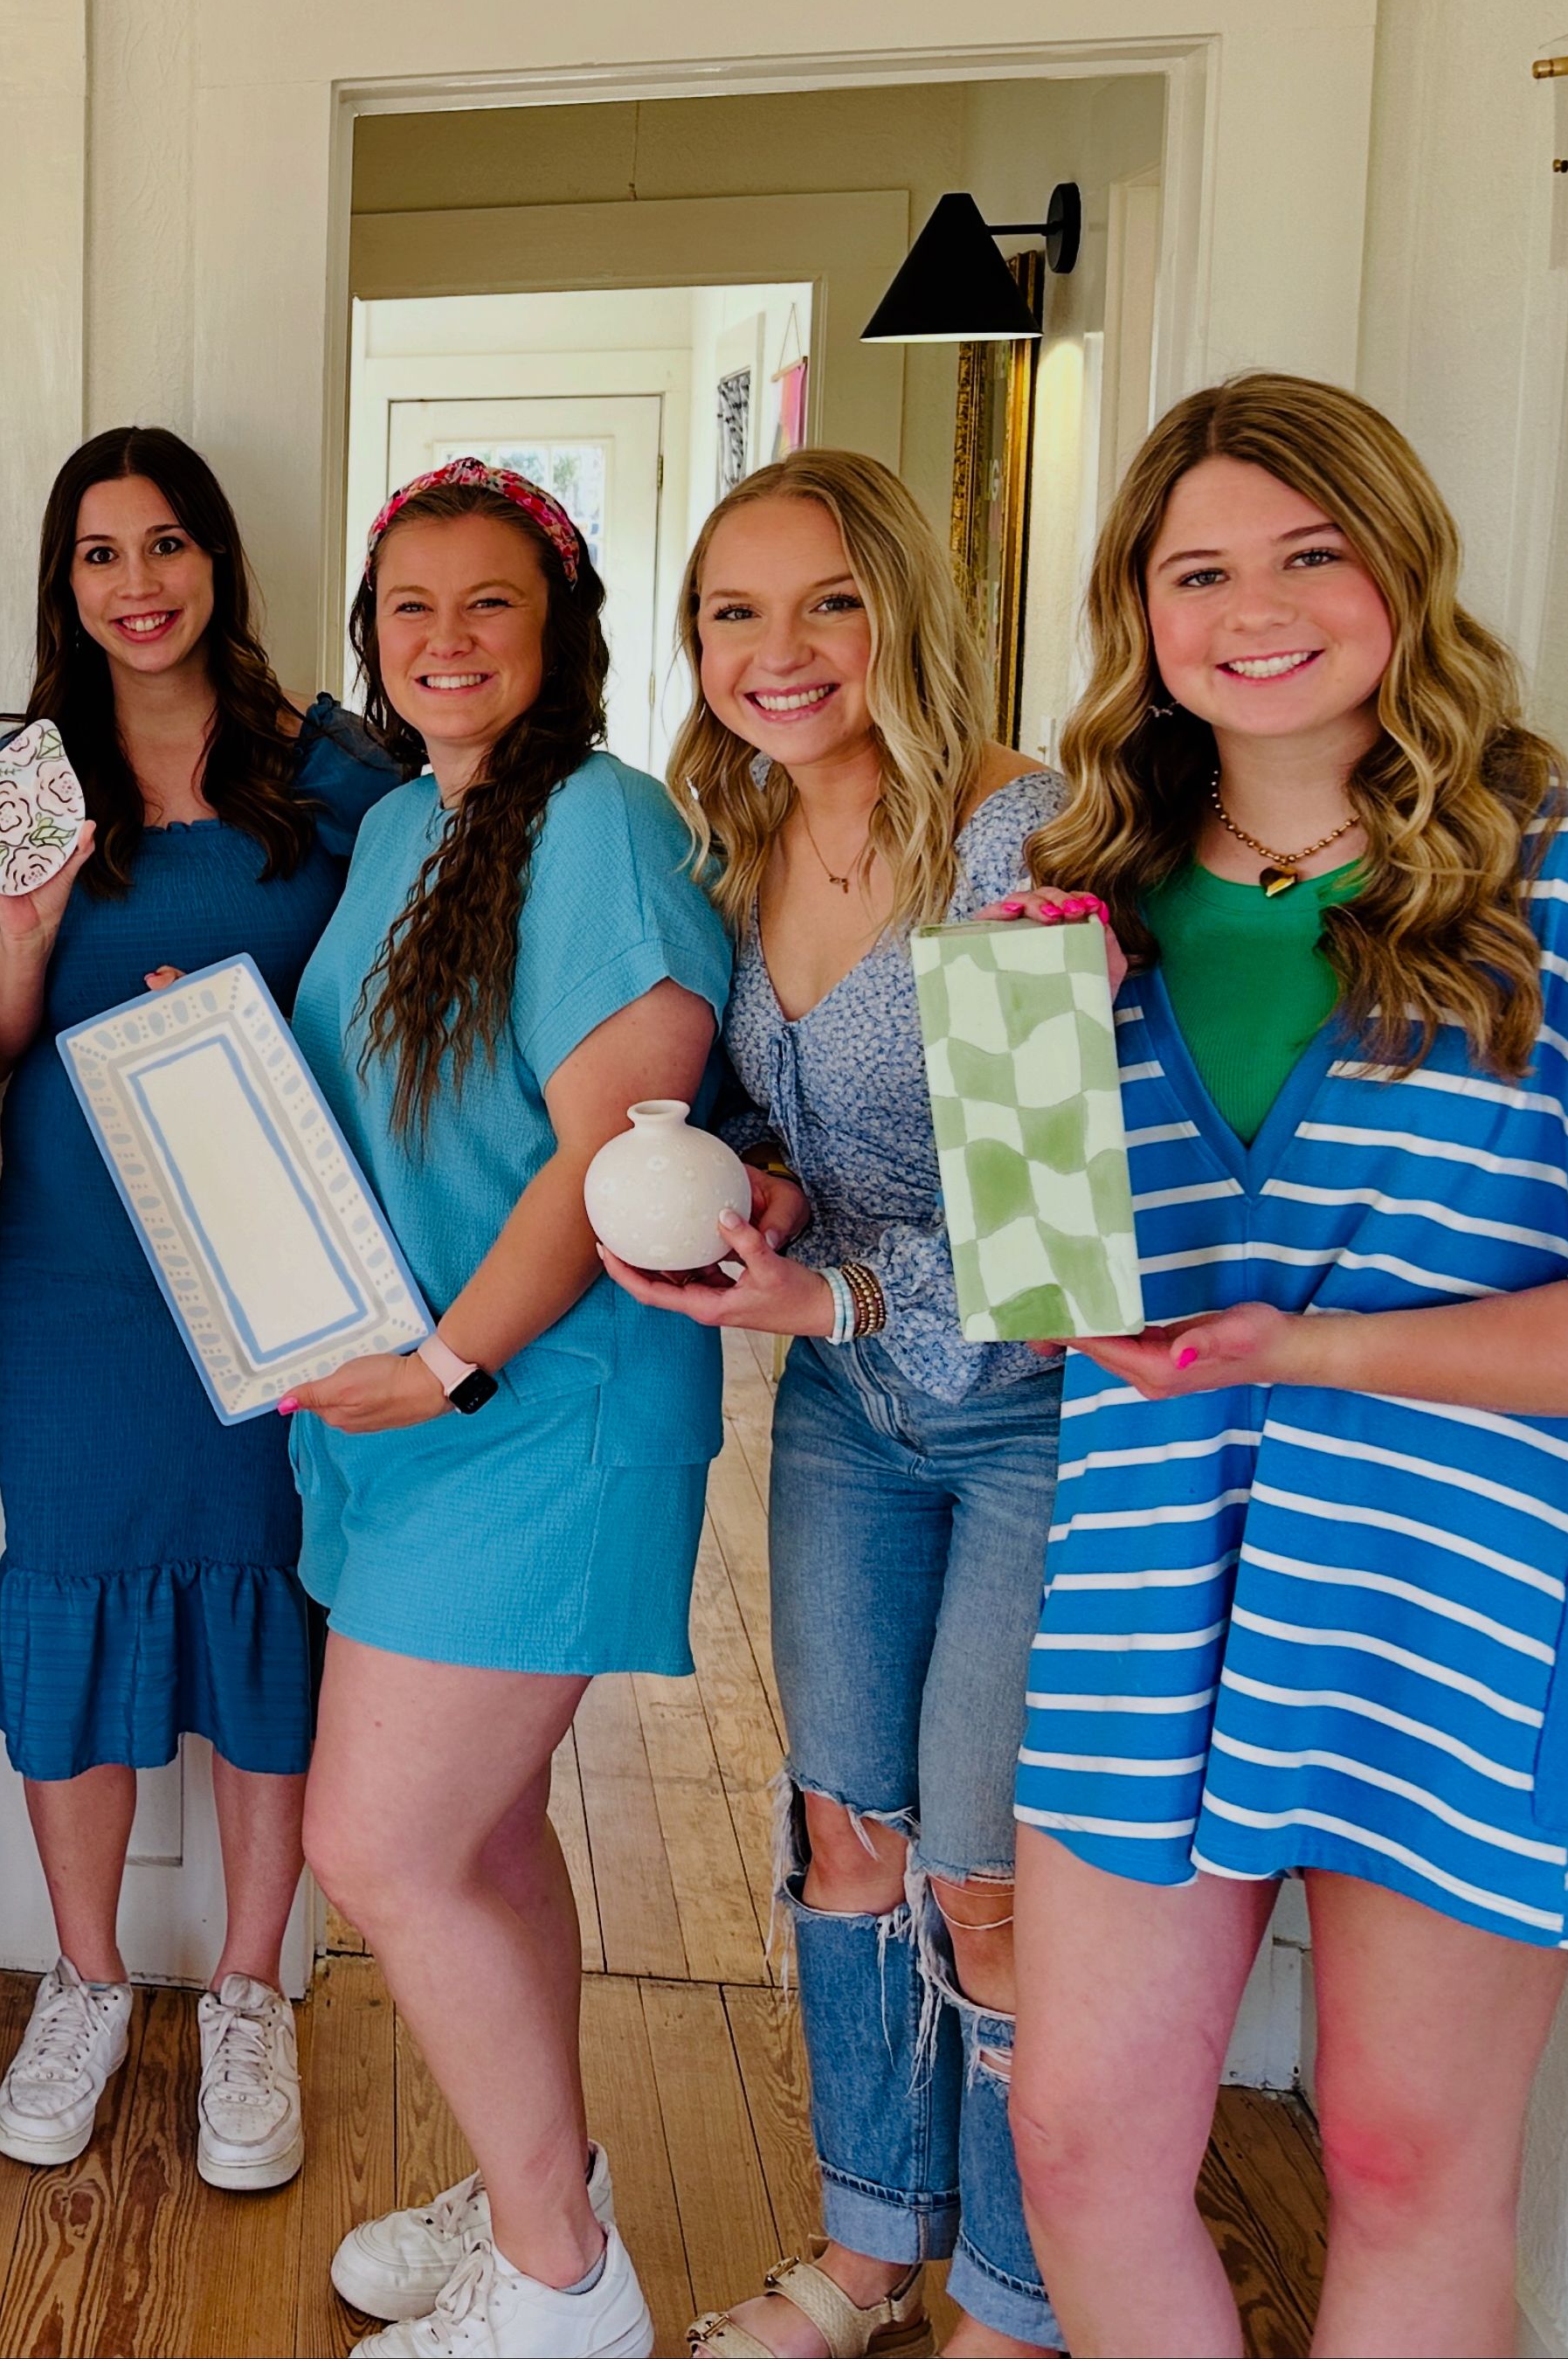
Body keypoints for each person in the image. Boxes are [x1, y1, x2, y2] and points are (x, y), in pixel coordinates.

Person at [1003, 375, 1568, 2356]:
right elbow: (1044, 1295)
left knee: (1408, 2171)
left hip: (1455, 1606)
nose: (1255, 607)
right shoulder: (1067, 910)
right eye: (1199, 571)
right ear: (1142, 614)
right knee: (1079, 2146)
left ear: (1397, 569)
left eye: (1309, 553)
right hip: (1144, 1588)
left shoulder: (1563, 885)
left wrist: (1319, 1343)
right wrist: (978, 1136)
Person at [596, 451, 1066, 2359]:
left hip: (1034, 1420)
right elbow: (793, 1134)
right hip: (846, 1411)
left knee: (989, 1880)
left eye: (827, 604)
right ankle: (871, 2253)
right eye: (734, 611)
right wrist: (760, 1187)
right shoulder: (738, 843)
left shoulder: (1010, 839)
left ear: (903, 614)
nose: (778, 653)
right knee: (845, 1832)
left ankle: (1022, 2305)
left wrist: (837, 1280)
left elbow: (1057, 1243)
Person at [287, 460, 732, 2358]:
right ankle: (539, 2178)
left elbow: (613, 1158)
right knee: (476, 1840)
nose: (444, 640)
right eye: (410, 608)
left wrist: (458, 1358)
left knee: (379, 1848)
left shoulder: (604, 822)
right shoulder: (406, 824)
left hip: (536, 1402)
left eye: (488, 605)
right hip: (412, 1405)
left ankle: (562, 2288)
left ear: (557, 632)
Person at [0, 425, 397, 2187]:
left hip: (284, 1268)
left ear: (218, 560)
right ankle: (84, 1981)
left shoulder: (335, 771)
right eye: (99, 555)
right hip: (80, 1267)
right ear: (63, 585)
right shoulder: (17, 771)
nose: (137, 586)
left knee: (265, 1605)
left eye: (166, 546)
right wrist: (35, 926)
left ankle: (249, 1996)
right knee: (72, 1583)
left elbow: (396, 1011)